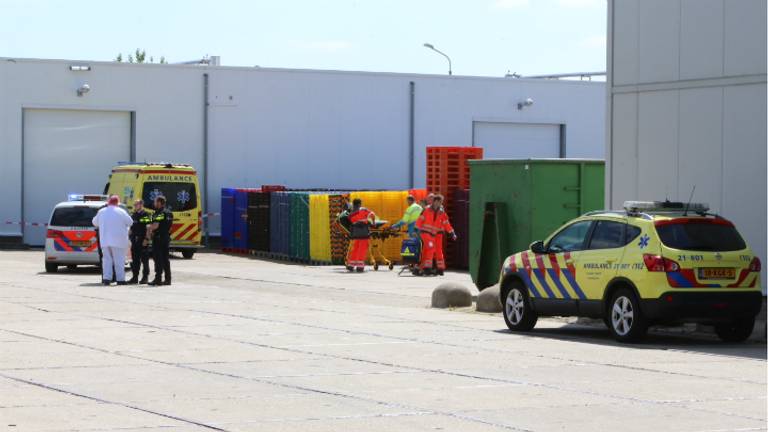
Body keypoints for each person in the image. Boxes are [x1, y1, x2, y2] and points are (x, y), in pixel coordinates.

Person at [92, 195, 133, 285]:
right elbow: (130, 222)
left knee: (107, 260)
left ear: (108, 202)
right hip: (119, 241)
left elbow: (94, 222)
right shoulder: (121, 211)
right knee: (119, 260)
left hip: (105, 241)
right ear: (117, 203)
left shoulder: (101, 211)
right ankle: (120, 280)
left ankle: (107, 279)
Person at [415, 194, 456, 276]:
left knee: (433, 250)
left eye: (441, 202)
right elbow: (420, 220)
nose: (440, 204)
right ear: (435, 201)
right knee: (431, 248)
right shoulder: (426, 210)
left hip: (434, 234)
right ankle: (427, 268)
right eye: (439, 202)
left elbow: (446, 223)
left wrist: (452, 232)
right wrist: (416, 229)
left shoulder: (441, 212)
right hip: (425, 233)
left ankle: (437, 268)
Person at [148, 195, 173, 286]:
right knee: (166, 259)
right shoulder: (169, 212)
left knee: (158, 259)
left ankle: (158, 279)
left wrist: (149, 228)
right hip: (166, 237)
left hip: (158, 238)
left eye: (155, 202)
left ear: (159, 203)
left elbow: (155, 225)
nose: (154, 203)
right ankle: (168, 279)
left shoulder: (159, 213)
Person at [345, 198, 375, 273]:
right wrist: (373, 222)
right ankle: (359, 266)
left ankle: (351, 265)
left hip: (355, 234)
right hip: (363, 233)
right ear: (359, 204)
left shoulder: (351, 214)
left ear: (354, 204)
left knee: (355, 249)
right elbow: (372, 214)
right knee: (362, 249)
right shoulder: (363, 210)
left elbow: (350, 222)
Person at [128, 199, 152, 284]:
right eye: (134, 204)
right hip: (134, 240)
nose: (135, 206)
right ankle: (135, 277)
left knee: (144, 260)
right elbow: (131, 228)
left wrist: (147, 239)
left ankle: (145, 277)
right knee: (135, 260)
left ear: (141, 204)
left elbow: (148, 228)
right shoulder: (134, 215)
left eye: (136, 204)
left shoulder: (145, 215)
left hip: (142, 240)